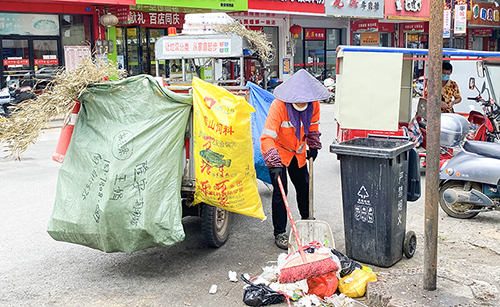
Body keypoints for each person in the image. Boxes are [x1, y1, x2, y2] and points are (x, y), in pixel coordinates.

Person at [260, 69, 330, 249]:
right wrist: (273, 161)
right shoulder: (279, 106)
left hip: (297, 153)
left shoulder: (314, 105)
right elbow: (267, 137)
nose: (302, 102)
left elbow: (313, 127)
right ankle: (280, 232)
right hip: (279, 153)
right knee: (280, 192)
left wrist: (313, 145)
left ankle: (307, 222)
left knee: (304, 186)